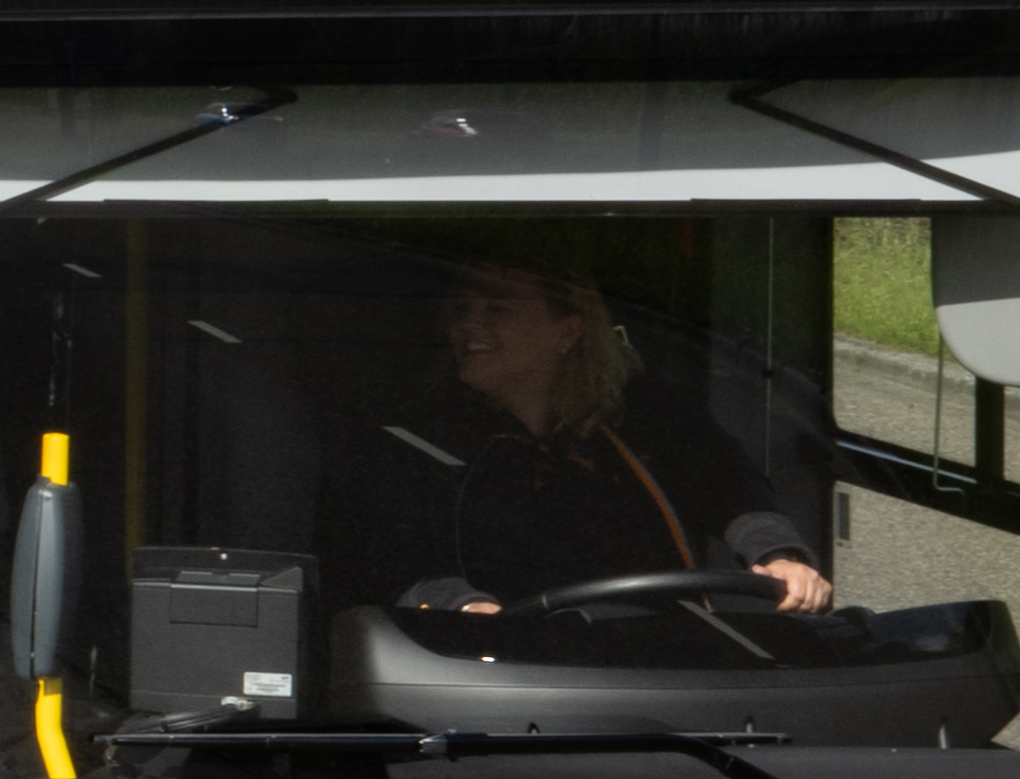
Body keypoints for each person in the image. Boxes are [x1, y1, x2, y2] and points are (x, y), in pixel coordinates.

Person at [354, 253, 837, 620]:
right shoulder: (415, 437)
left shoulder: (647, 415)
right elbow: (393, 555)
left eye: (497, 309)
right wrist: (462, 606)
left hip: (663, 658)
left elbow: (730, 487)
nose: (468, 324)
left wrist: (780, 557)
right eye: (462, 309)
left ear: (566, 333)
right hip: (502, 669)